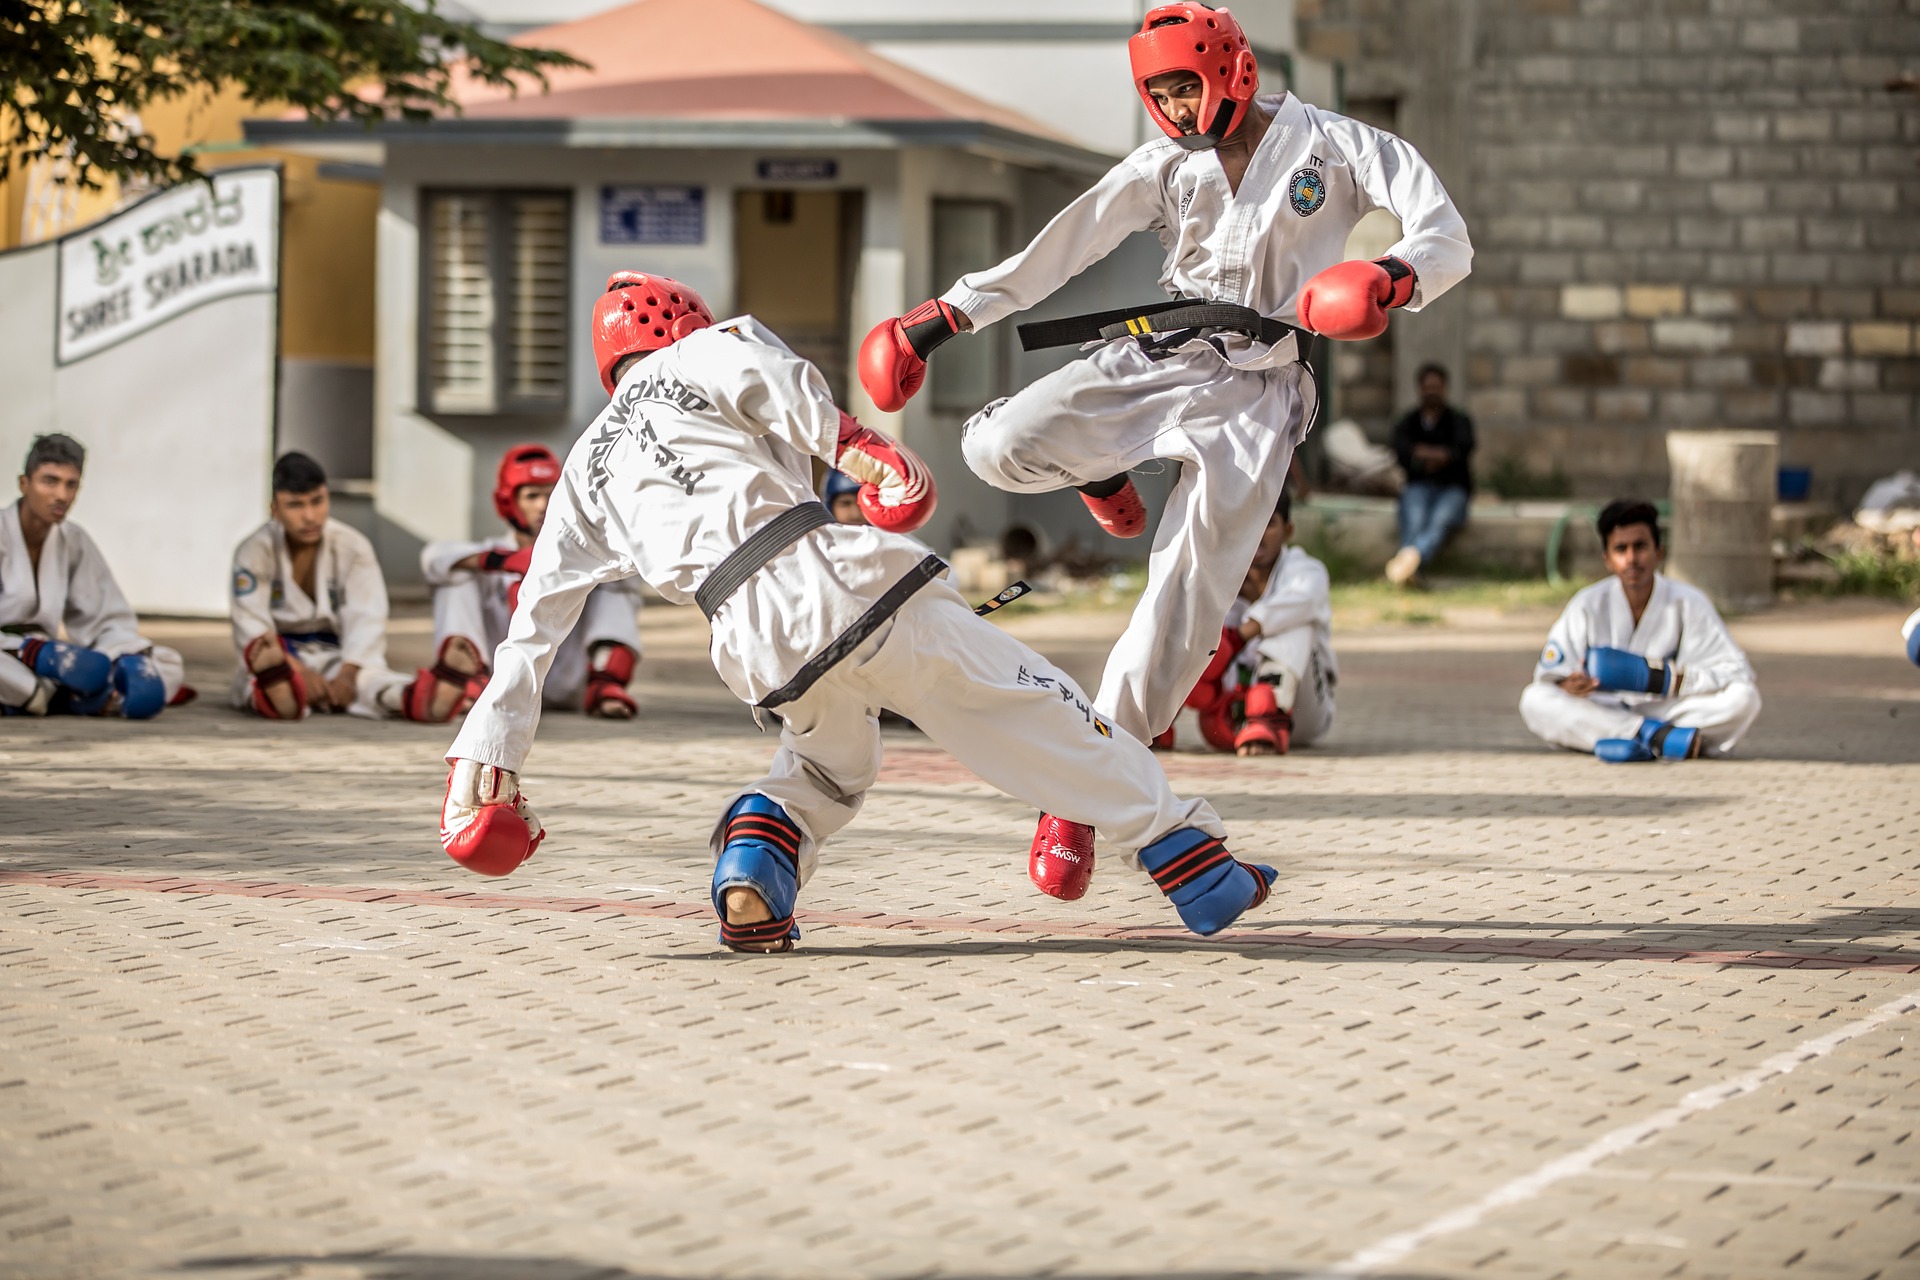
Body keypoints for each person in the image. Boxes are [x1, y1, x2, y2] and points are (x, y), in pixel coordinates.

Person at [440, 271, 1279, 951]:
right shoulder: (707, 349)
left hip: (749, 640)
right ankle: (1192, 861)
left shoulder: (583, 467)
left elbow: (531, 632)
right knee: (1028, 702)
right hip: (828, 574)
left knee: (828, 765)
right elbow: (768, 379)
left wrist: (486, 768)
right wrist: (860, 446)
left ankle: (755, 871)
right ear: (679, 327)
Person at [857, 1, 1471, 899]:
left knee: (1183, 606)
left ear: (1234, 69)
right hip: (1163, 356)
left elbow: (1443, 229)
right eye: (1162, 93)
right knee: (997, 445)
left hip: (1261, 393)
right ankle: (1100, 467)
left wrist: (1391, 276)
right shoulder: (1166, 168)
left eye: (1188, 87)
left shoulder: (1338, 147)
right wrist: (942, 315)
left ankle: (1082, 782)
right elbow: (1059, 247)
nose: (1179, 110)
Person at [1519, 500, 1761, 761]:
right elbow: (1548, 674)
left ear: (1659, 552)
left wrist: (1672, 679)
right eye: (1621, 549)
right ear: (1608, 559)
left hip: (1665, 709)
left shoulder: (1689, 602)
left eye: (1640, 546)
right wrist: (1569, 682)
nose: (1631, 558)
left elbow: (1736, 671)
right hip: (1603, 707)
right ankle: (1655, 737)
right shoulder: (1587, 604)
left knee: (1744, 699)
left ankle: (1628, 738)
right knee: (1534, 700)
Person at [421, 445, 642, 719]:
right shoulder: (489, 553)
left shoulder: (582, 553)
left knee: (617, 578)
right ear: (508, 502)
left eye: (550, 495)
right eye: (532, 496)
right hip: (494, 681)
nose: (542, 505)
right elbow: (433, 558)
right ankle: (465, 679)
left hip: (566, 682)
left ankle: (606, 680)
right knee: (457, 576)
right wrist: (502, 561)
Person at [230, 452, 455, 721]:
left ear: (328, 498)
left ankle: (414, 698)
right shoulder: (253, 551)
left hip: (339, 656)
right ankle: (280, 692)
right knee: (256, 680)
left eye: (317, 501)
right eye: (295, 505)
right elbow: (252, 624)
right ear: (274, 509)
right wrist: (297, 670)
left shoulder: (353, 546)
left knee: (371, 681)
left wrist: (347, 675)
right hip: (281, 659)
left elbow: (367, 616)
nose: (310, 516)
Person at [0, 433, 188, 717]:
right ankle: (67, 696)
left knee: (165, 664)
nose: (61, 496)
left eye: (71, 485)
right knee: (27, 678)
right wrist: (26, 651)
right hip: (12, 657)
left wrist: (130, 658)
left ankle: (55, 694)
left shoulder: (73, 541)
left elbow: (105, 618)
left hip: (51, 660)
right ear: (24, 484)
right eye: (49, 481)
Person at [1167, 488, 1335, 755]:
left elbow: (1305, 600)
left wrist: (1237, 637)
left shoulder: (1306, 570)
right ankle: (1157, 721)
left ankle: (1268, 720)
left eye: (1268, 524)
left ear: (1288, 531)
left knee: (1296, 623)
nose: (1257, 534)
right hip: (1229, 713)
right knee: (1185, 624)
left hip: (1300, 717)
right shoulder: (1215, 577)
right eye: (1248, 524)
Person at [1385, 362, 1475, 586]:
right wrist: (1440, 455)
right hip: (1418, 486)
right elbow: (1403, 453)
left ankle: (1406, 566)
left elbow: (1461, 451)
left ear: (1445, 388)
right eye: (1428, 387)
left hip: (1452, 488)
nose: (1432, 391)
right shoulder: (1408, 421)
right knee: (1414, 520)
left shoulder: (1458, 419)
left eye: (1437, 386)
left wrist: (1425, 454)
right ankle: (1413, 571)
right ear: (1420, 388)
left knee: (1439, 520)